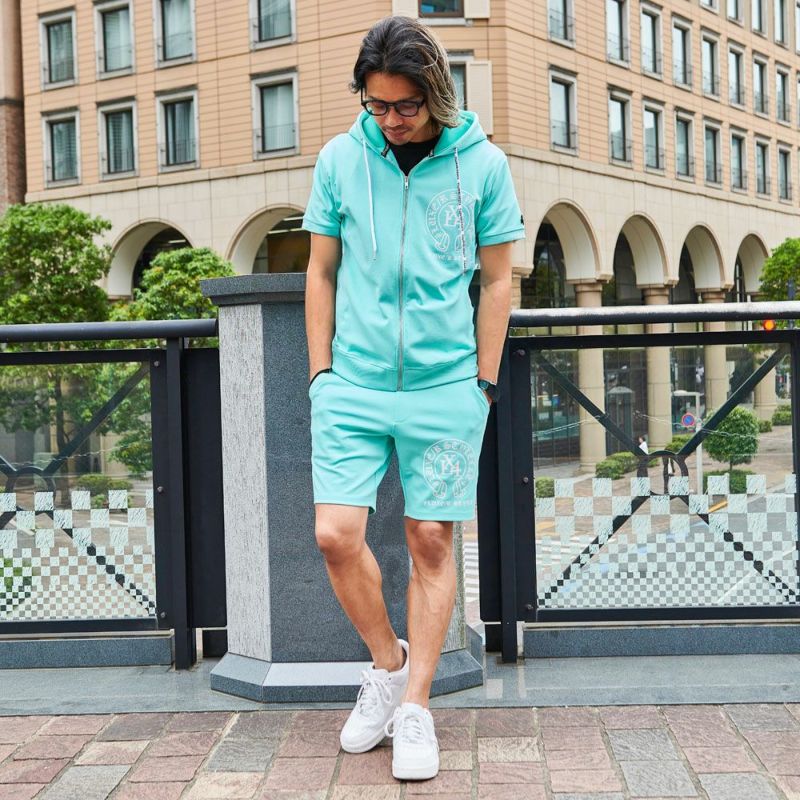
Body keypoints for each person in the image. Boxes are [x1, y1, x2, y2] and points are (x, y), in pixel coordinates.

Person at [302, 15, 524, 781]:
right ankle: (388, 665)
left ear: (435, 93)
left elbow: (499, 279)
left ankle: (418, 707)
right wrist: (321, 374)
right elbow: (321, 271)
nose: (391, 120)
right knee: (335, 535)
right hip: (353, 386)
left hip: (445, 387)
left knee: (430, 539)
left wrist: (482, 383)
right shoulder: (340, 159)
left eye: (405, 105)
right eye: (377, 105)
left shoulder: (483, 165)